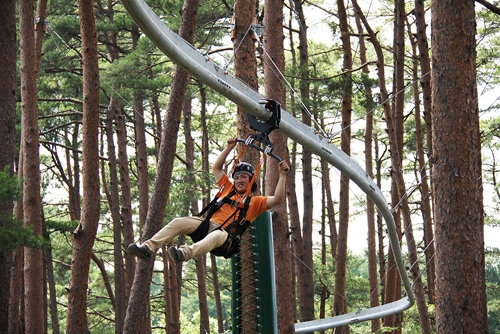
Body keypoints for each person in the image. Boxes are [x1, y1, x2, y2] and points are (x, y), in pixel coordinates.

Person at [127, 137, 289, 263]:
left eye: (244, 177)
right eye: (237, 177)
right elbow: (217, 168)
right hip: (206, 226)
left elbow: (277, 199)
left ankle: (184, 253)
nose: (239, 180)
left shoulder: (255, 202)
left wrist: (282, 176)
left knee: (215, 236)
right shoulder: (227, 189)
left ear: (251, 181)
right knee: (179, 222)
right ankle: (148, 248)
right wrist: (228, 148)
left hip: (225, 238)